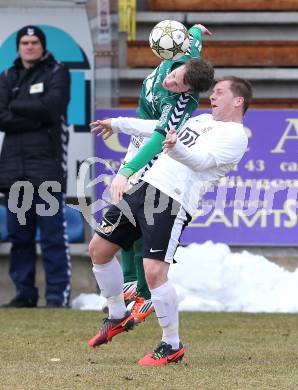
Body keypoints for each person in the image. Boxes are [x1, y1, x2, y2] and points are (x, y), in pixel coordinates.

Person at [88, 76, 253, 366]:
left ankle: (171, 345)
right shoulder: (201, 120)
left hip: (172, 201)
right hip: (144, 188)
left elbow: (201, 161)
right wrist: (117, 123)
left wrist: (175, 147)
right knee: (98, 249)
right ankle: (117, 314)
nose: (212, 96)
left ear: (238, 100)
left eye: (219, 92)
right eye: (212, 91)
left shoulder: (236, 135)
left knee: (153, 273)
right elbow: (157, 129)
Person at [91, 23, 213, 323]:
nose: (170, 82)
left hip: (152, 145)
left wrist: (128, 169)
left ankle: (141, 290)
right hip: (137, 140)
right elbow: (192, 42)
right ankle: (133, 283)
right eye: (173, 76)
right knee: (124, 210)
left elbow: (159, 137)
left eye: (177, 84)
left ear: (189, 90)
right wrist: (195, 30)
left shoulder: (180, 104)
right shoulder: (185, 53)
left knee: (132, 210)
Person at [0, 25, 71, 308]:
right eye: (25, 42)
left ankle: (57, 295)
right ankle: (25, 293)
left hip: (47, 171)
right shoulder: (7, 76)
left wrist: (16, 107)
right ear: (18, 47)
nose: (29, 46)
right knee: (20, 238)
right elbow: (1, 116)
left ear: (42, 46)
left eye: (34, 42)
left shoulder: (57, 72)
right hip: (15, 173)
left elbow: (52, 109)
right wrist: (36, 113)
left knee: (53, 236)